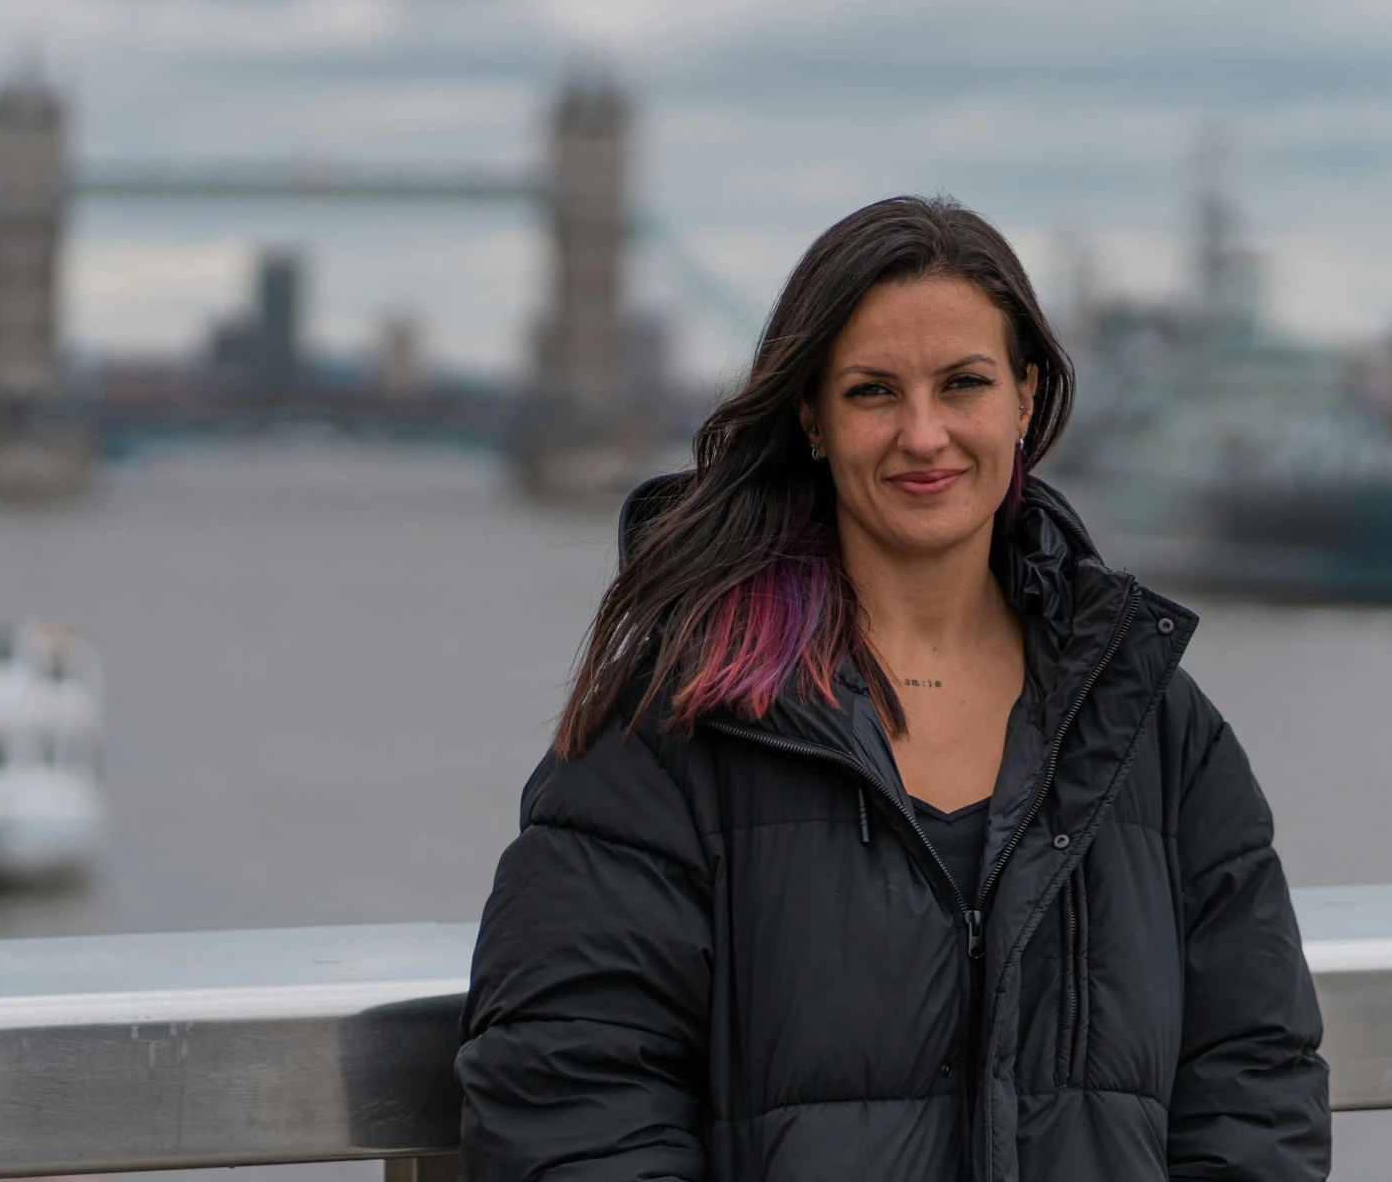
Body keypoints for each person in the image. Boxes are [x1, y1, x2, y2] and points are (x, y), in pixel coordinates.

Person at [458, 196, 1329, 1182]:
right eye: (874, 392)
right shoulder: (670, 728)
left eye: (963, 384)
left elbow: (1256, 1083)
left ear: (1025, 400)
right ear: (812, 420)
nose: (924, 435)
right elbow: (570, 1111)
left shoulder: (1154, 725)